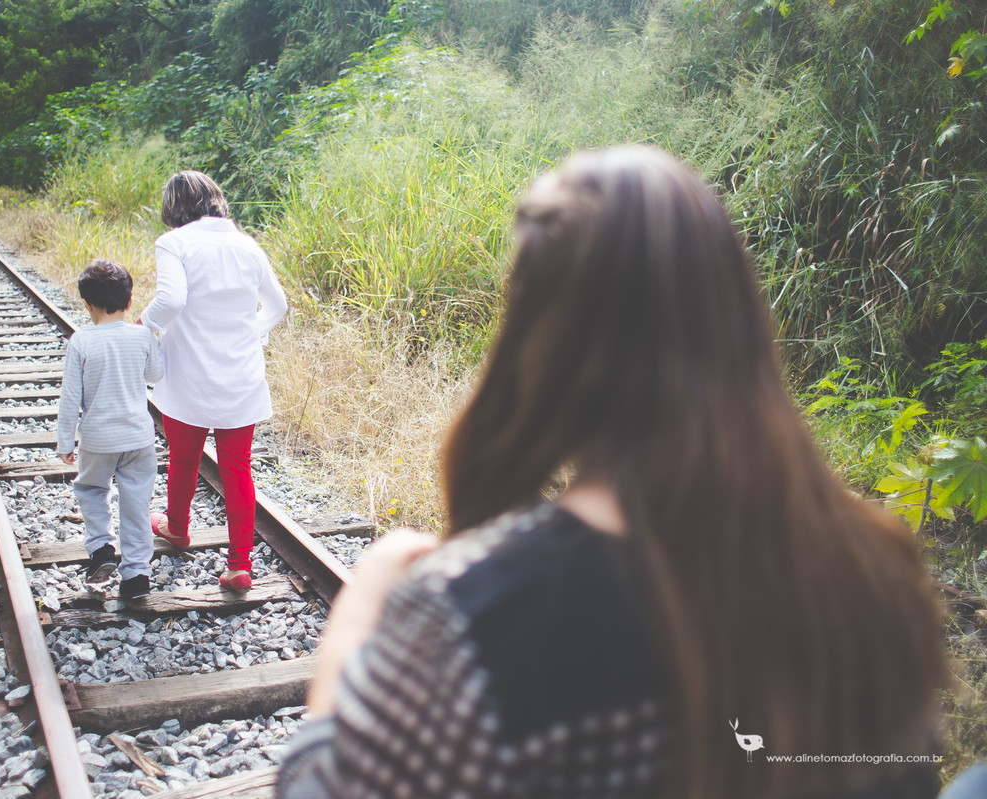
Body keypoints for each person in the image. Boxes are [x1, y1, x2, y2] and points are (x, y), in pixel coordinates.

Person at [276, 146, 950, 798]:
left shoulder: (476, 616)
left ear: (540, 343)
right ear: (737, 316)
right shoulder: (878, 570)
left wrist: (361, 608)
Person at [140, 170, 288, 592]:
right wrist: (248, 334)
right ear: (215, 199)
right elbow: (278, 306)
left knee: (184, 460)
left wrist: (143, 326)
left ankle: (177, 528)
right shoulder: (247, 245)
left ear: (173, 207)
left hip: (188, 375)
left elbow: (171, 299)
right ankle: (239, 565)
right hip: (241, 375)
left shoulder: (174, 243)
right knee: (237, 469)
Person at [56, 259, 164, 600]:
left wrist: (65, 441)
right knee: (136, 502)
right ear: (129, 302)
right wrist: (153, 339)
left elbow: (70, 398)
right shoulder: (141, 335)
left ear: (87, 304)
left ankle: (101, 548)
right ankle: (136, 575)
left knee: (91, 490)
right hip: (138, 439)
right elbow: (155, 375)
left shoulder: (81, 341)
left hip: (97, 439)